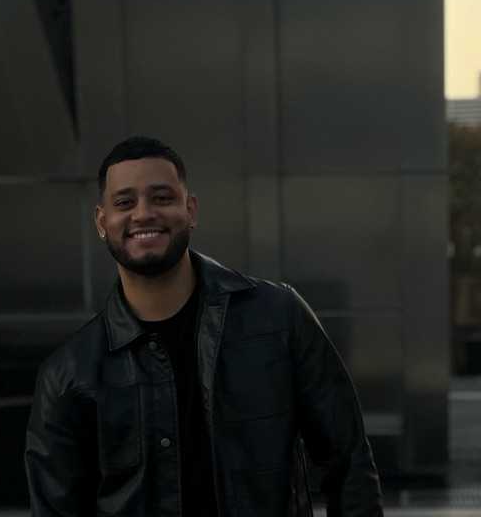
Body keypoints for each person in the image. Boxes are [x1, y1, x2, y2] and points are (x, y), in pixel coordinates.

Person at [25, 136, 384, 516]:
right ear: (102, 222)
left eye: (162, 198)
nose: (143, 214)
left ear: (190, 210)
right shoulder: (68, 373)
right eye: (125, 203)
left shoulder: (279, 317)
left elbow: (350, 464)